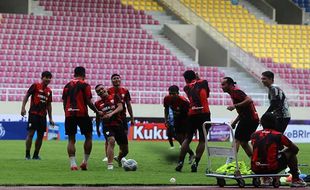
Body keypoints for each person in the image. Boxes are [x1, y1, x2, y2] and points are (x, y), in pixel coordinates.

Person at [251, 112, 307, 187]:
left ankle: (265, 179)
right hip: (272, 168)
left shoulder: (254, 134)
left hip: (256, 168)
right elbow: (295, 149)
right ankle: (296, 179)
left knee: (261, 155)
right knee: (291, 152)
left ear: (262, 123)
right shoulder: (278, 135)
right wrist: (282, 151)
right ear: (275, 122)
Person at [62, 66, 102, 171]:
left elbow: (64, 102)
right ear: (84, 75)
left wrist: (66, 112)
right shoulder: (85, 85)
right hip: (82, 113)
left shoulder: (67, 85)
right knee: (88, 137)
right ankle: (85, 162)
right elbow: (89, 102)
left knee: (71, 139)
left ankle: (73, 164)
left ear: (74, 74)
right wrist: (97, 111)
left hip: (69, 114)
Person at [175, 70, 211, 172]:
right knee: (202, 140)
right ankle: (195, 163)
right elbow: (206, 95)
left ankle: (180, 162)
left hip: (192, 114)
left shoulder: (186, 88)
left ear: (186, 79)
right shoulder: (203, 82)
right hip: (204, 113)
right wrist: (198, 78)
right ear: (195, 76)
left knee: (187, 138)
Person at [221, 77, 259, 161]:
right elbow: (243, 111)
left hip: (250, 119)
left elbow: (249, 100)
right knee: (244, 142)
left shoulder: (236, 92)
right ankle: (255, 163)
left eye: (223, 84)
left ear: (230, 85)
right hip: (250, 119)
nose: (221, 86)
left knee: (236, 140)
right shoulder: (233, 93)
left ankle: (229, 164)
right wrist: (234, 122)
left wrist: (234, 106)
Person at [21, 71, 54, 160]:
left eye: (49, 78)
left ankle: (36, 155)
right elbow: (27, 96)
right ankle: (27, 155)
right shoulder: (35, 86)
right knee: (31, 134)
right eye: (46, 77)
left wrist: (50, 118)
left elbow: (49, 105)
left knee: (40, 136)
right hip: (33, 114)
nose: (48, 79)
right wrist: (23, 108)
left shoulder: (49, 91)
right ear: (42, 77)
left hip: (43, 116)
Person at [95, 84, 128, 170]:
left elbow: (120, 107)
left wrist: (111, 114)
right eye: (98, 91)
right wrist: (98, 128)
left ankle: (119, 158)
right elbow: (98, 116)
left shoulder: (115, 96)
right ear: (97, 94)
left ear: (105, 89)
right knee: (111, 140)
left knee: (125, 150)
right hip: (107, 126)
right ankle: (110, 165)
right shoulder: (97, 103)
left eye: (102, 89)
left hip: (118, 125)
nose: (101, 91)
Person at [163, 85, 195, 163]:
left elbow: (190, 113)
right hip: (177, 120)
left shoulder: (184, 101)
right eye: (170, 93)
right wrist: (166, 120)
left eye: (173, 94)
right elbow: (166, 109)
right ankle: (191, 153)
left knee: (183, 140)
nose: (171, 95)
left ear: (178, 93)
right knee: (180, 140)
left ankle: (181, 160)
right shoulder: (166, 99)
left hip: (186, 120)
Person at [107, 74, 134, 162]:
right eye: (114, 78)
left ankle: (120, 156)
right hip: (112, 118)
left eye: (117, 78)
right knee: (110, 137)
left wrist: (132, 118)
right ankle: (107, 156)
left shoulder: (125, 91)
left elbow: (128, 105)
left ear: (120, 80)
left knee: (123, 137)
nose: (116, 79)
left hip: (122, 118)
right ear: (112, 81)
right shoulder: (108, 91)